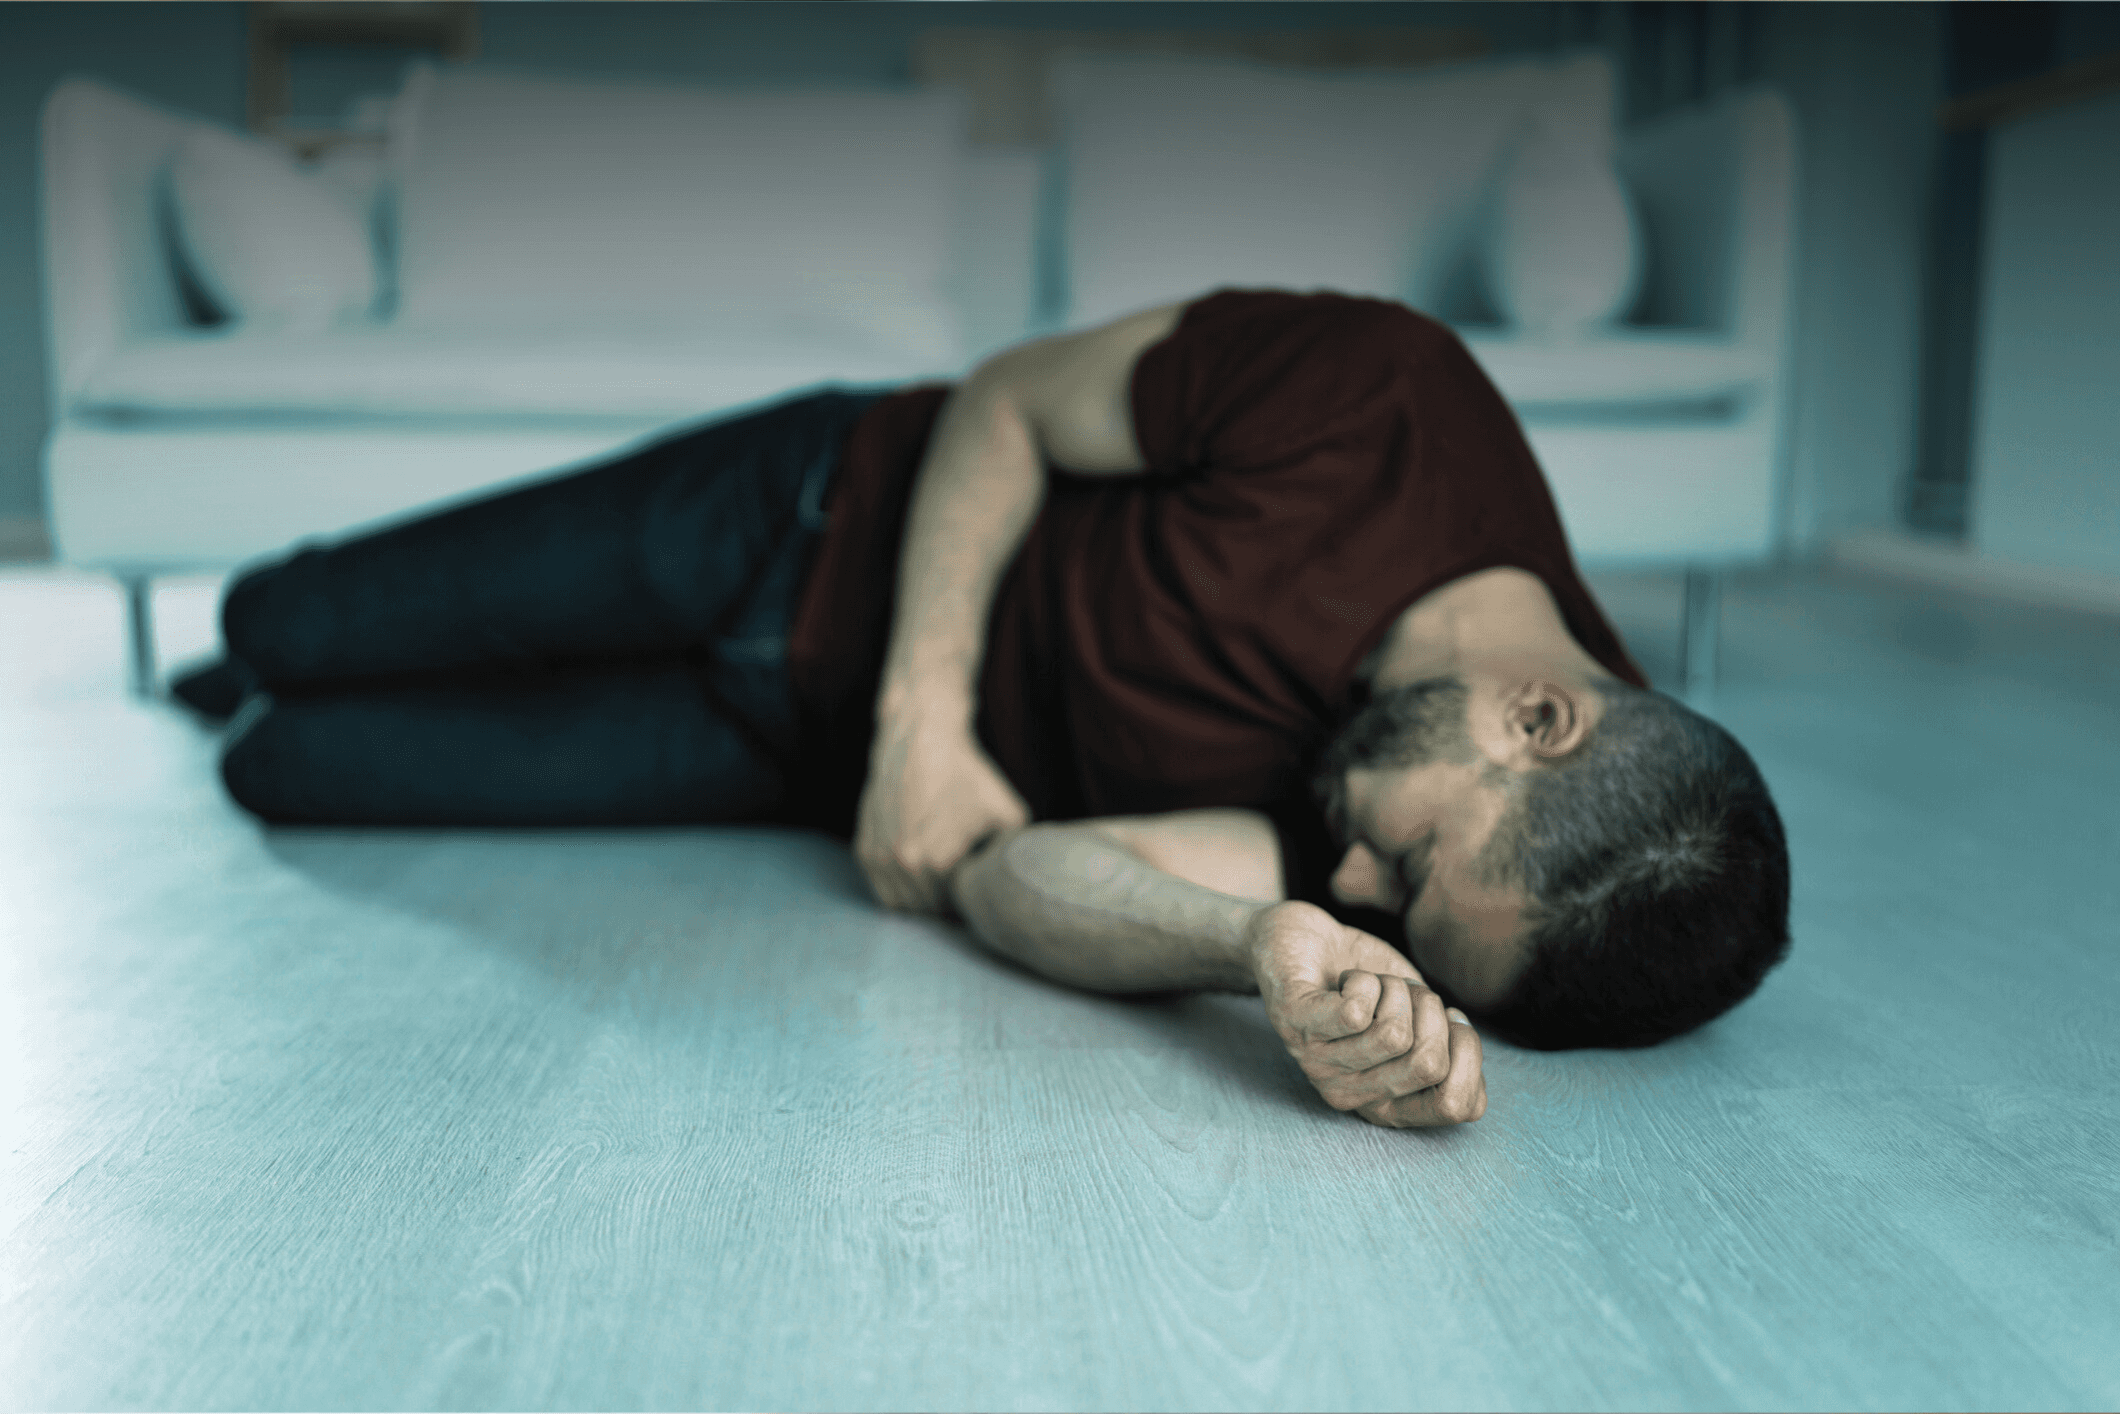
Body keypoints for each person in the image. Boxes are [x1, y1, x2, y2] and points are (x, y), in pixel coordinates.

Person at [178, 288, 1792, 1130]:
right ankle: (260, 648)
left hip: (788, 754)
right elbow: (1011, 401)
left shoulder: (1398, 874)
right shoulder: (1388, 396)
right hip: (798, 517)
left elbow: (1015, 874)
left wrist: (1259, 945)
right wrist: (923, 722)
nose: (1361, 881)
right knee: (276, 625)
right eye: (1412, 864)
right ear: (1539, 719)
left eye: (1396, 916)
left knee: (286, 765)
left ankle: (267, 699)